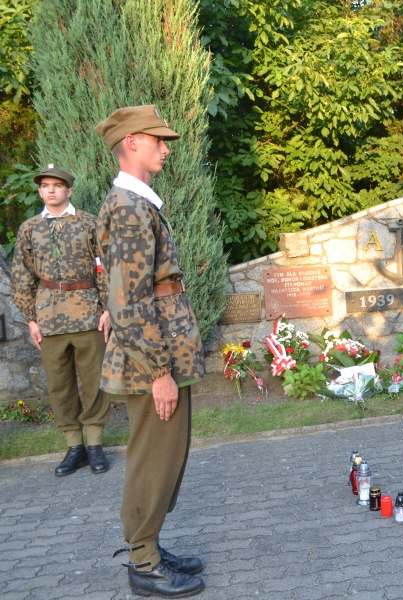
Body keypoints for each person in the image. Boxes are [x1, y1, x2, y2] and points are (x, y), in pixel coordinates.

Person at [94, 105, 206, 597]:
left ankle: (151, 546)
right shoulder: (129, 208)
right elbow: (131, 300)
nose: (165, 147)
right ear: (132, 142)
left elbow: (118, 287)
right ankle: (143, 561)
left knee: (165, 454)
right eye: (158, 140)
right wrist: (159, 370)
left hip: (158, 352)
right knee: (152, 457)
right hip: (150, 361)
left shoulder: (138, 204)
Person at [11, 164, 111, 477]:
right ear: (40, 191)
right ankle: (74, 447)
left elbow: (105, 266)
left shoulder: (90, 223)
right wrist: (30, 318)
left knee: (94, 381)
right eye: (45, 186)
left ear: (69, 190)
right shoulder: (30, 228)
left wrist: (107, 308)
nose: (51, 190)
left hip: (87, 314)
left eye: (57, 185)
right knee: (59, 384)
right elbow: (22, 275)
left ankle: (94, 444)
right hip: (48, 316)